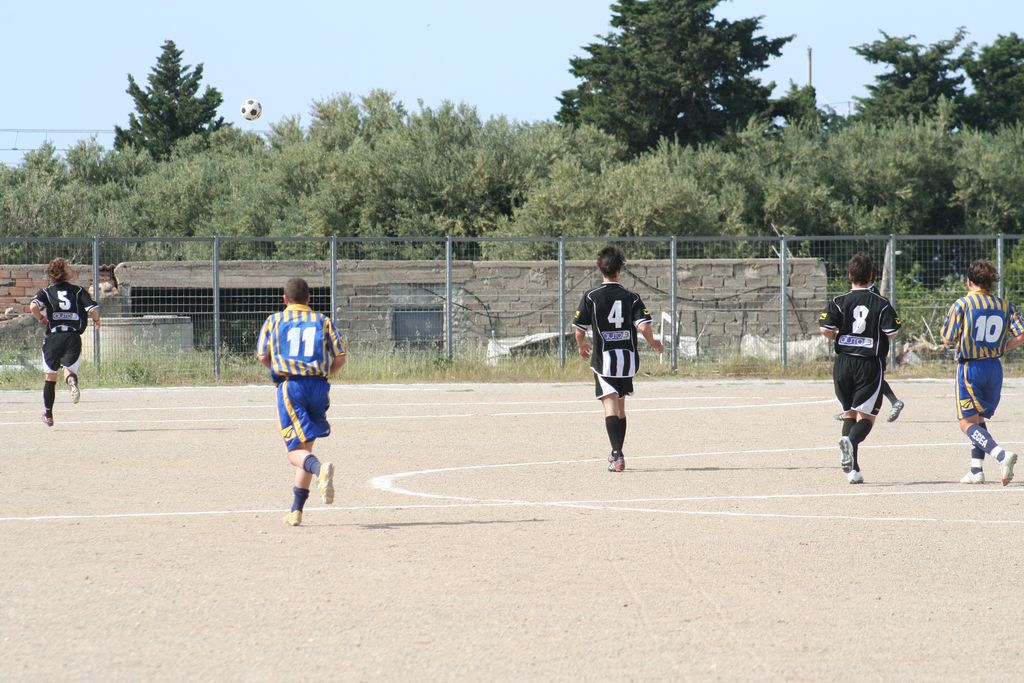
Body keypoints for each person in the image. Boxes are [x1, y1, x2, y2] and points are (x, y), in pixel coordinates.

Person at [257, 277, 346, 526]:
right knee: (305, 448)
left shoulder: (274, 320)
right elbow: (340, 357)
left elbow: (263, 355)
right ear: (309, 298)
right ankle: (296, 510)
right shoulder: (322, 320)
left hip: (292, 387)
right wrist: (326, 375)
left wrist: (278, 370)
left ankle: (320, 470)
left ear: (285, 299)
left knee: (293, 452)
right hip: (319, 387)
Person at [573, 246, 664, 472]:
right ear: (620, 269)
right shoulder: (632, 297)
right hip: (627, 361)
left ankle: (617, 454)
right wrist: (653, 342)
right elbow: (644, 327)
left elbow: (579, 329)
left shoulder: (591, 297)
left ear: (599, 268)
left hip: (604, 361)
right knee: (621, 406)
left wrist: (581, 345)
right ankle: (618, 453)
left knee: (610, 404)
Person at [940, 259, 1024, 485]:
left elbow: (947, 338)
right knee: (977, 419)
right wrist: (1002, 347)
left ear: (969, 282)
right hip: (994, 368)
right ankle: (976, 470)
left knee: (966, 423)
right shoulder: (1005, 305)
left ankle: (1001, 455)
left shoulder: (962, 304)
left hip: (971, 367)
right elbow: (1021, 334)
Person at [819, 252, 901, 484]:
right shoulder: (881, 303)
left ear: (850, 275)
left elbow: (825, 329)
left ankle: (853, 470)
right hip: (868, 364)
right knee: (867, 417)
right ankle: (850, 442)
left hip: (843, 363)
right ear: (872, 275)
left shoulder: (839, 301)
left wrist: (840, 336)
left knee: (849, 413)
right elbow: (893, 333)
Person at [29, 258, 100, 426]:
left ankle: (48, 414)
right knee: (69, 370)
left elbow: (33, 306)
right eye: (68, 266)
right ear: (62, 272)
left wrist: (41, 318)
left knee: (50, 377)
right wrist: (97, 320)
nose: (71, 268)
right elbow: (93, 309)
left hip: (53, 338)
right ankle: (71, 381)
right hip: (72, 337)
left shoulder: (46, 292)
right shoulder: (78, 291)